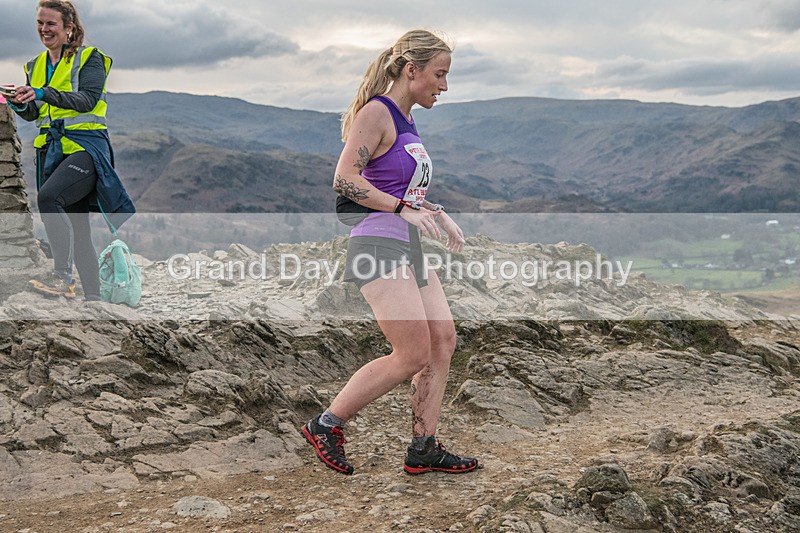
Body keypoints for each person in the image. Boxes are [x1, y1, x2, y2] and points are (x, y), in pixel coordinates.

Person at [301, 29, 479, 476]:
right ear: (411, 69)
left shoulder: (406, 118)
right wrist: (403, 208)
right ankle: (327, 424)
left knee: (443, 341)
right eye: (439, 74)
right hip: (377, 243)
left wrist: (434, 212)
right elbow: (344, 180)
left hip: (407, 241)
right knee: (412, 352)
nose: (444, 85)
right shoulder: (377, 112)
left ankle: (423, 445)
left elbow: (397, 185)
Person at [7, 0, 134, 300]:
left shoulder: (90, 58)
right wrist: (20, 103)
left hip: (86, 148)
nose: (44, 29)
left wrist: (41, 92)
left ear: (69, 28)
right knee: (79, 228)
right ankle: (93, 299)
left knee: (49, 198)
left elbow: (87, 100)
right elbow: (36, 113)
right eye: (40, 22)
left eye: (51, 23)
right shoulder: (34, 65)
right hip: (53, 150)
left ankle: (62, 277)